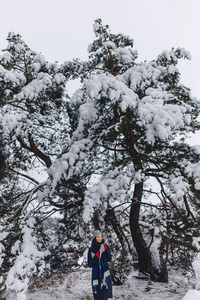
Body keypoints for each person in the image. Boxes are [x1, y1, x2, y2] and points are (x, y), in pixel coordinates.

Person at [88, 230, 113, 300]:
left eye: (101, 236)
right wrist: (96, 256)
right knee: (98, 293)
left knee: (105, 292)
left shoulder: (105, 246)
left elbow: (109, 259)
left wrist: (106, 250)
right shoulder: (91, 249)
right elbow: (89, 264)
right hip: (96, 274)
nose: (100, 238)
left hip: (104, 273)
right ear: (94, 238)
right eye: (98, 237)